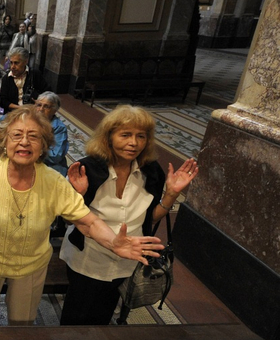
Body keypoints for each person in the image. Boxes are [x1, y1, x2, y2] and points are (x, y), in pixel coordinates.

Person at [0, 105, 165, 326]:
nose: (24, 142)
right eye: (17, 135)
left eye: (34, 136)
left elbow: (88, 220)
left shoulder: (54, 182)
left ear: (43, 145)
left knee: (22, 326)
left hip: (30, 266)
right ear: (4, 142)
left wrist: (112, 242)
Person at [59, 105, 198, 325]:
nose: (133, 143)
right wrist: (79, 195)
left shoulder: (151, 171)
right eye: (125, 135)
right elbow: (68, 220)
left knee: (103, 317)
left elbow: (150, 219)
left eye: (140, 136)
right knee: (76, 317)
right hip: (89, 258)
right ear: (109, 137)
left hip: (127, 259)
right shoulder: (86, 169)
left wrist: (171, 194)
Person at [0, 47, 49, 113]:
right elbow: (3, 101)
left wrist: (40, 102)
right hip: (13, 113)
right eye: (11, 63)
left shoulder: (35, 74)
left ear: (25, 62)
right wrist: (20, 108)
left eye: (16, 63)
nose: (12, 67)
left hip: (33, 112)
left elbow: (48, 92)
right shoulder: (6, 78)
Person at [35, 92, 68, 176]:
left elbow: (55, 156)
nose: (41, 109)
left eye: (46, 106)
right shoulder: (31, 121)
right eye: (39, 105)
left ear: (54, 110)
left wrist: (34, 150)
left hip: (51, 166)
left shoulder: (59, 128)